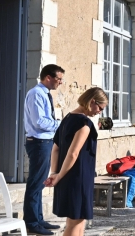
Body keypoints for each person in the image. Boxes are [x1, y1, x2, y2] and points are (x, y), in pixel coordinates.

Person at [44, 87, 107, 236]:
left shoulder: (67, 119)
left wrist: (55, 172)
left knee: (78, 220)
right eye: (101, 108)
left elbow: (56, 149)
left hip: (68, 176)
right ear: (92, 101)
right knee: (74, 222)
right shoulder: (84, 124)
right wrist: (57, 176)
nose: (100, 112)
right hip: (78, 177)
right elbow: (73, 154)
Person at [23, 64, 64, 235]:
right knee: (35, 183)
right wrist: (61, 124)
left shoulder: (43, 94)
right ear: (48, 77)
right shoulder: (36, 94)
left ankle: (38, 219)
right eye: (59, 79)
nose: (60, 82)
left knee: (40, 182)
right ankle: (32, 222)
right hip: (39, 143)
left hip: (44, 142)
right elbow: (40, 121)